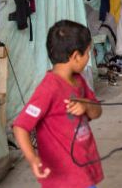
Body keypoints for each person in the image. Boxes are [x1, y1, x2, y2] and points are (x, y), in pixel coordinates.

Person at [12, 20, 104, 188]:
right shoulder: (48, 88)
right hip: (63, 179)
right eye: (88, 53)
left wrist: (86, 106)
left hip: (84, 169)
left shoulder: (78, 80)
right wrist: (33, 159)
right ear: (76, 56)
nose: (89, 57)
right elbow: (20, 126)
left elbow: (97, 111)